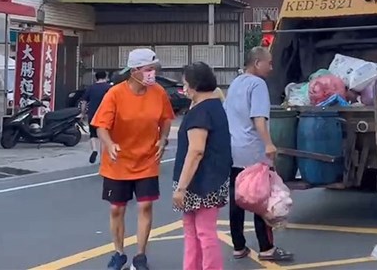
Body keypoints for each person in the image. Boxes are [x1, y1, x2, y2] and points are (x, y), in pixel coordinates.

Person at [93, 49, 174, 270]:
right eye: (149, 69)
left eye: (154, 69)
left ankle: (140, 256)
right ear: (135, 71)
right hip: (118, 161)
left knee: (145, 205)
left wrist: (163, 139)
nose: (152, 74)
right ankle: (118, 253)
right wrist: (110, 144)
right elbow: (101, 126)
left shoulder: (158, 92)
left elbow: (166, 119)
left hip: (147, 159)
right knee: (116, 209)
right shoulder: (115, 94)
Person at [224, 47, 293, 262]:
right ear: (256, 63)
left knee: (238, 197)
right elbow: (259, 118)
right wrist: (268, 144)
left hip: (234, 150)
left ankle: (238, 246)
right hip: (254, 151)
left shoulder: (236, 83)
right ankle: (266, 248)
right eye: (269, 63)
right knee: (261, 198)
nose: (271, 68)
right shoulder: (258, 84)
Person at [171, 62, 232, 270]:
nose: (183, 88)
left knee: (202, 234)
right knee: (194, 232)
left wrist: (181, 188)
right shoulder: (214, 105)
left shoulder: (200, 113)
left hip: (201, 183)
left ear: (194, 85)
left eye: (185, 84)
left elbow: (196, 151)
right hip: (210, 180)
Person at [80, 71, 111, 164]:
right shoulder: (109, 88)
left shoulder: (91, 88)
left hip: (92, 114)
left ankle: (94, 150)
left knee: (93, 135)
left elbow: (84, 102)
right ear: (106, 77)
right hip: (105, 114)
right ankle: (102, 159)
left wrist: (82, 113)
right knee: (103, 136)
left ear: (95, 78)